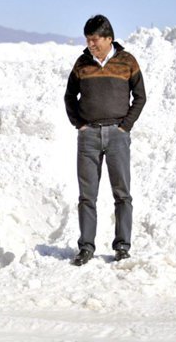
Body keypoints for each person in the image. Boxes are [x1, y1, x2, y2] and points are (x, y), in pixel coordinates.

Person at [64, 14, 146, 266]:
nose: (91, 44)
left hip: (117, 136)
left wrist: (125, 127)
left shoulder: (127, 62)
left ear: (109, 38)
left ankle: (122, 246)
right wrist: (80, 124)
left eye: (95, 40)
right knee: (86, 196)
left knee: (122, 194)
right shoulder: (82, 63)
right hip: (88, 136)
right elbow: (69, 97)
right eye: (88, 40)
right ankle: (86, 247)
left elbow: (140, 97)